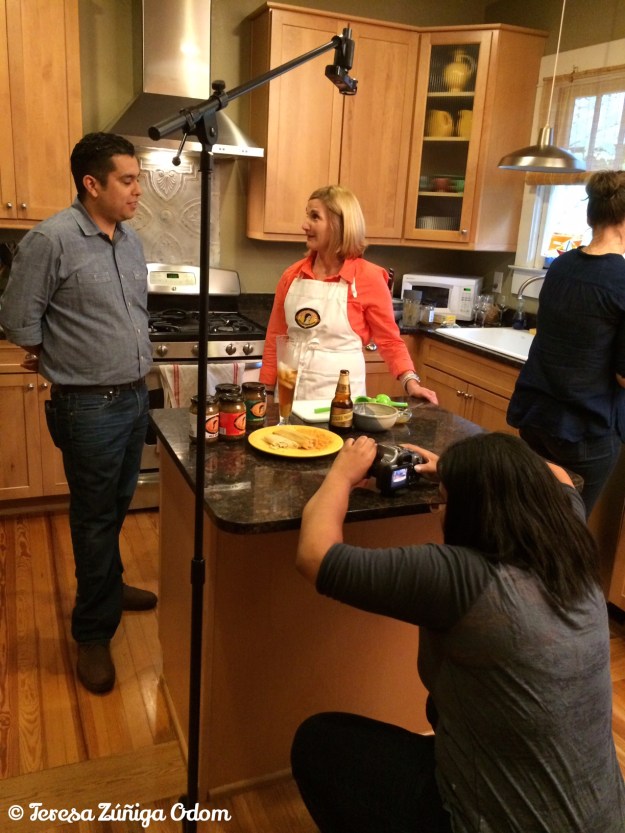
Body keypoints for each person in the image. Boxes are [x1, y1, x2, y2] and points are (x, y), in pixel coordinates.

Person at [291, 431, 625, 833]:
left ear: (473, 513)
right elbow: (557, 475)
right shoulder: (571, 542)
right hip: (606, 818)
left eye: (445, 500)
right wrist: (460, 470)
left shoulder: (465, 578)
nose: (440, 509)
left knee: (319, 742)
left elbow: (315, 555)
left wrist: (342, 474)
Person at [0, 132, 156, 695]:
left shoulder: (131, 242)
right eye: (127, 180)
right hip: (87, 406)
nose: (138, 190)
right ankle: (92, 631)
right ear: (92, 184)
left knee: (117, 504)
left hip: (134, 397)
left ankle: (108, 588)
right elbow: (17, 318)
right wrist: (60, 354)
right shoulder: (52, 240)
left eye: (137, 179)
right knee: (93, 519)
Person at [507, 169, 625, 516]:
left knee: (529, 518)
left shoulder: (561, 266)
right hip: (584, 431)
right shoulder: (621, 280)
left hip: (537, 419)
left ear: (592, 215)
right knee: (566, 532)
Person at [259, 184, 438, 403]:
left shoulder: (369, 278)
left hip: (339, 401)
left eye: (315, 217)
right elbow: (275, 338)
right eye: (307, 216)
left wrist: (411, 382)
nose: (304, 225)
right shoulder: (292, 276)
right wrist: (266, 392)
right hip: (288, 393)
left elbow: (390, 341)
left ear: (338, 224)